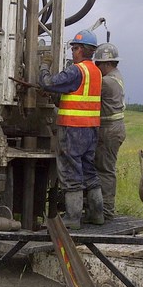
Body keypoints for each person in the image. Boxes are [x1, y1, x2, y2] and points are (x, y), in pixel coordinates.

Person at [39, 29, 104, 229]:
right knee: (89, 172)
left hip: (73, 129)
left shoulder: (76, 70)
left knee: (70, 172)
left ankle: (73, 218)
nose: (73, 52)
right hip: (91, 129)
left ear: (83, 50)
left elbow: (48, 83)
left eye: (75, 48)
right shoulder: (96, 72)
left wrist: (44, 66)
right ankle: (96, 215)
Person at [94, 42, 126, 220]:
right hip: (113, 128)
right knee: (103, 168)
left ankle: (106, 211)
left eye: (98, 64)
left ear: (106, 63)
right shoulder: (116, 76)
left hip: (109, 129)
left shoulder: (106, 82)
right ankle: (100, 207)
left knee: (105, 170)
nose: (96, 67)